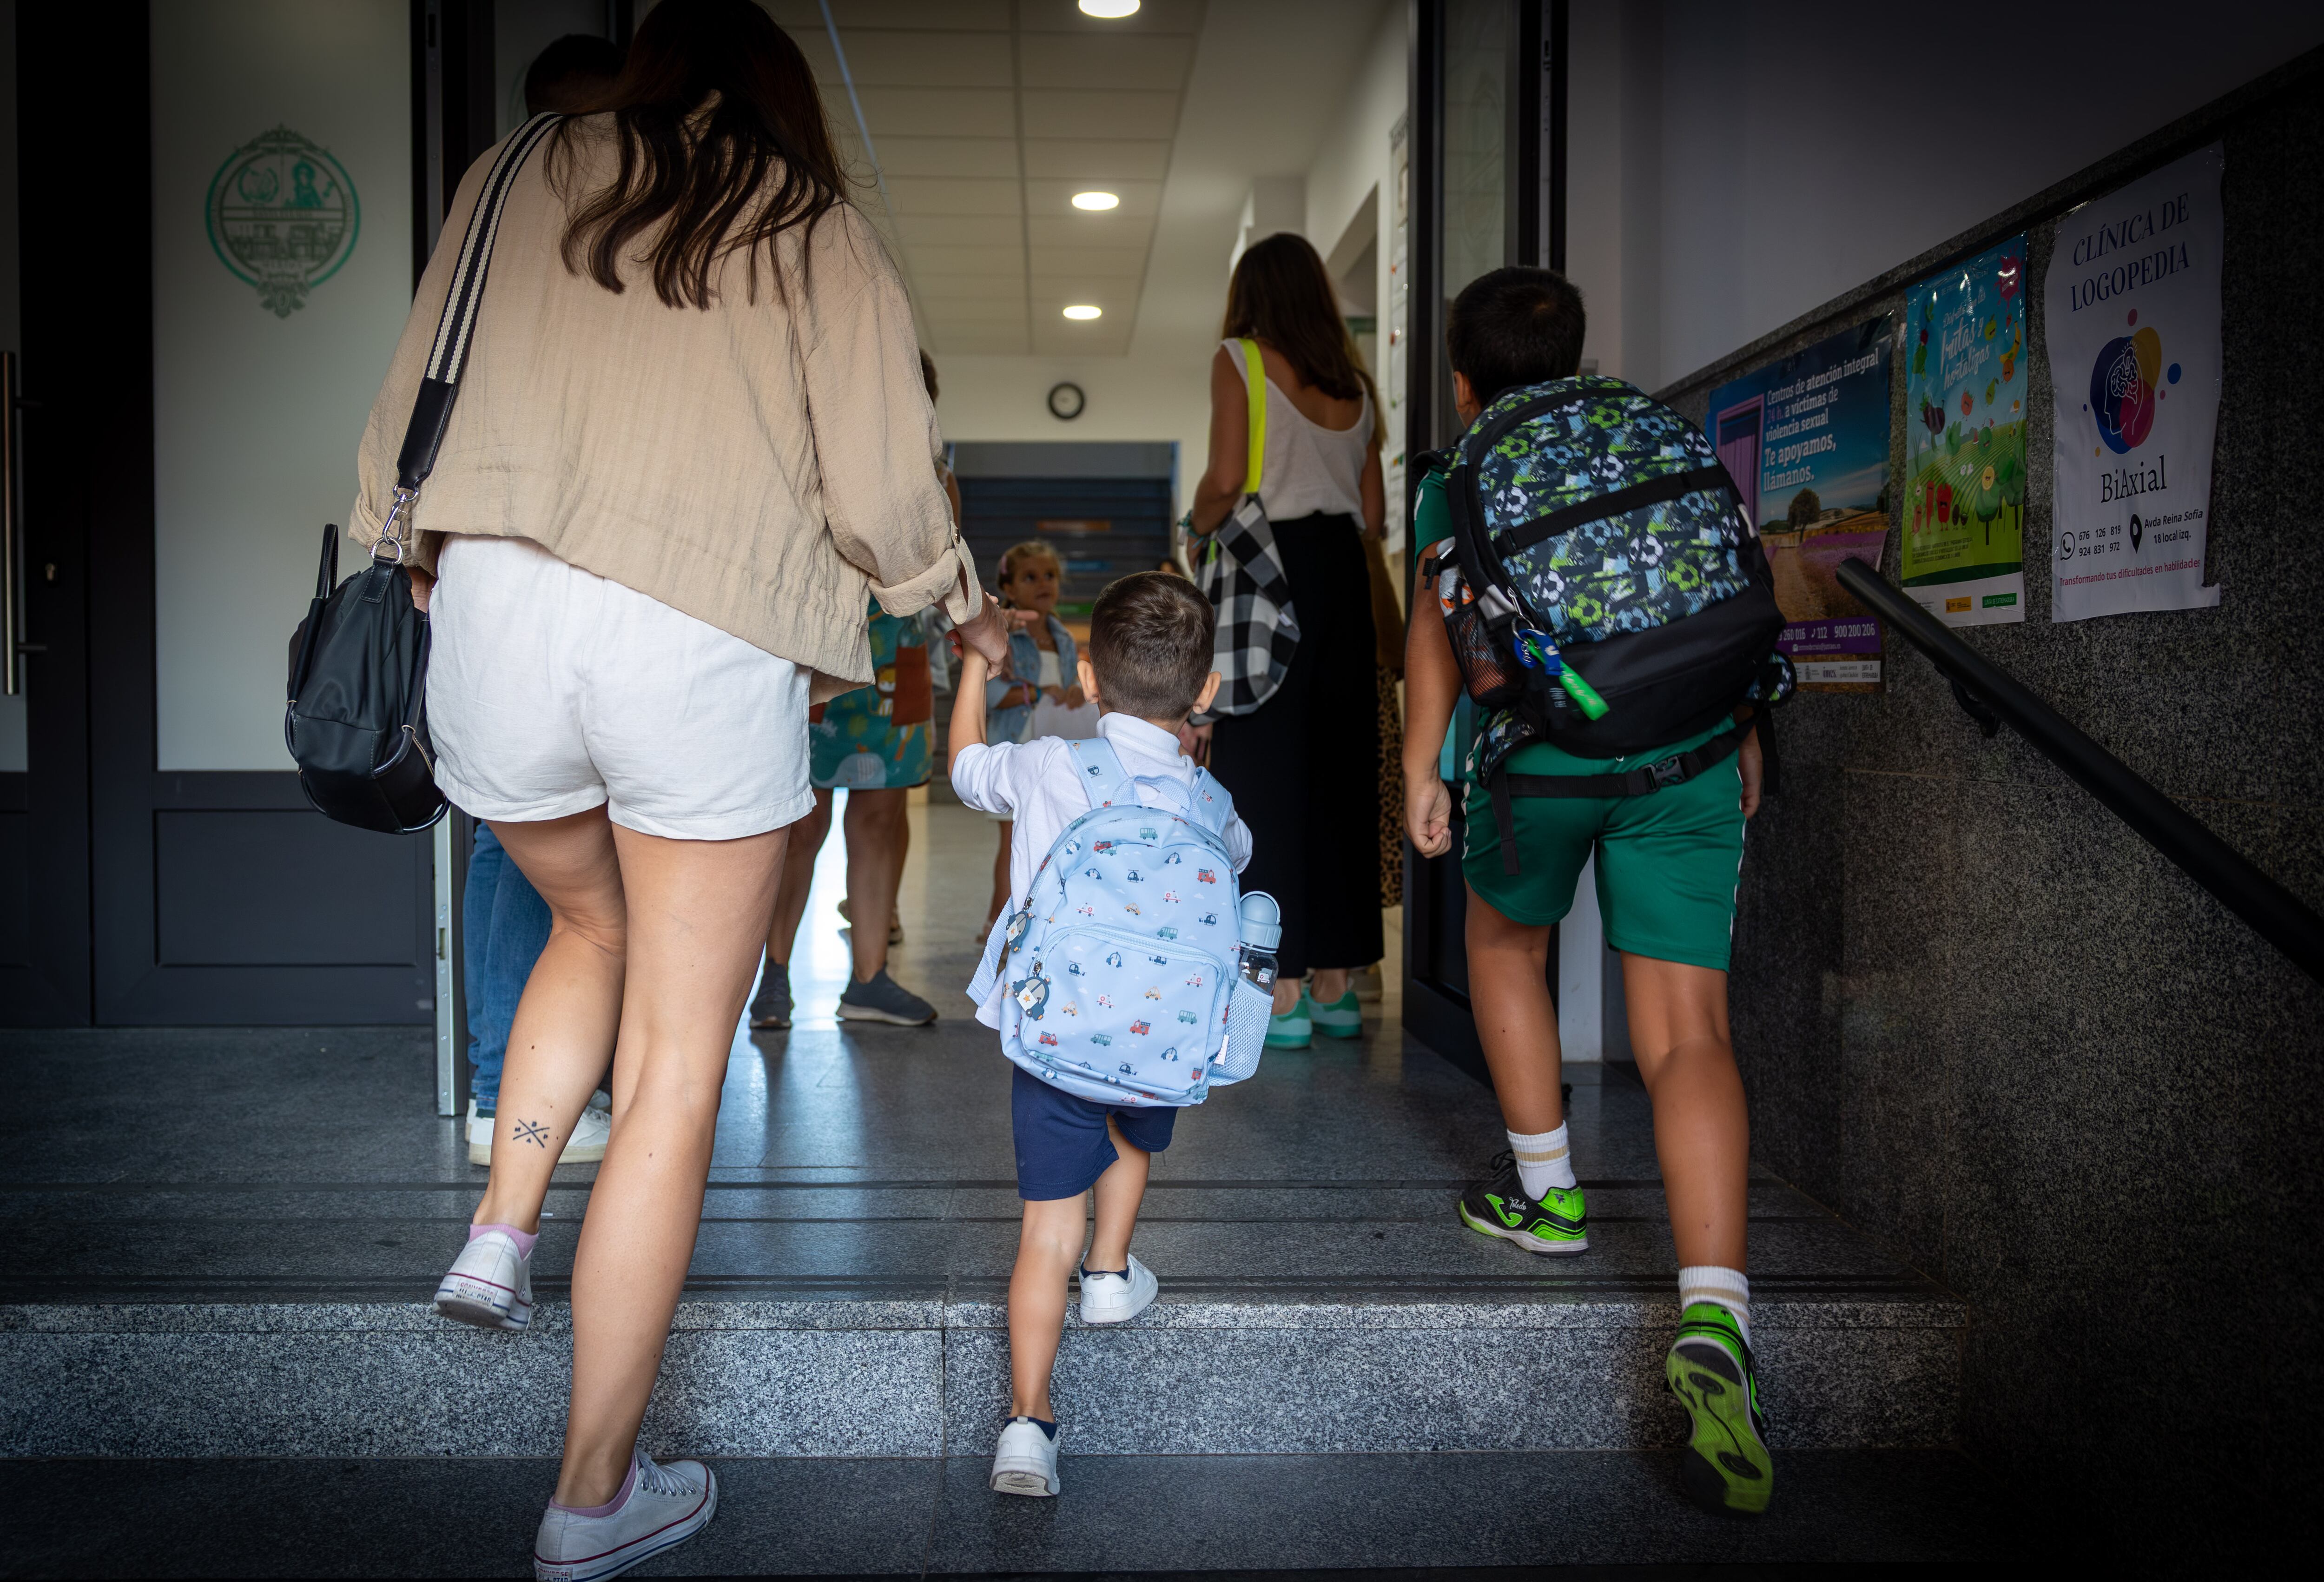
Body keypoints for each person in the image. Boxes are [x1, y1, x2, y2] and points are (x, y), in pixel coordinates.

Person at [359, 3, 1008, 1574]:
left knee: (590, 927)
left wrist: (395, 550)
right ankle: (592, 1493)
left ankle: (503, 1230)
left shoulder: (512, 170)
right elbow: (876, 471)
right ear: (775, 93)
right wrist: (953, 599)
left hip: (496, 621)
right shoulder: (808, 216)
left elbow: (408, 395)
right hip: (704, 634)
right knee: (676, 1070)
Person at [1401, 265, 1773, 1516]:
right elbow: (1719, 584)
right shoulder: (1650, 429)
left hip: (1545, 760)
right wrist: (1745, 732)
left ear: (1464, 380)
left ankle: (1546, 1191)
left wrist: (1421, 774)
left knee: (1504, 942)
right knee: (1689, 1035)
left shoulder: (1458, 476)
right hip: (1692, 749)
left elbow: (1435, 638)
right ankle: (1714, 1307)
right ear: (1576, 352)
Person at [948, 572, 1252, 1500]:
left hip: (1053, 1025)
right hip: (1155, 1037)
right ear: (1204, 691)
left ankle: (1027, 1426)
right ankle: (1113, 1269)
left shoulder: (1049, 763)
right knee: (1130, 1127)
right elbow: (1236, 865)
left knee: (1046, 1232)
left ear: (1086, 675)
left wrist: (973, 664)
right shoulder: (1211, 804)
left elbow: (965, 769)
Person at [454, 28, 631, 1171]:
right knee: (601, 853)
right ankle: (588, 1092)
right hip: (610, 568)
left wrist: (413, 552)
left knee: (507, 831)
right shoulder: (646, 211)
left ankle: (494, 1098)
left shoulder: (484, 205)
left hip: (485, 567)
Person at [1188, 232, 1386, 1050]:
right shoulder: (1358, 387)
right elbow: (1374, 517)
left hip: (1272, 576)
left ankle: (1283, 992)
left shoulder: (1240, 358)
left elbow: (1229, 477)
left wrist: (1198, 521)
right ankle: (1341, 987)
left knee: (1262, 779)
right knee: (1341, 779)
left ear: (1251, 294)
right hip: (1345, 576)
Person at [748, 595, 941, 1029]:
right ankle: (774, 975)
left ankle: (869, 980)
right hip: (816, 638)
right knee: (802, 829)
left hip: (892, 652)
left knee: (877, 826)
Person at [980, 541, 1088, 932]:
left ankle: (1044, 924)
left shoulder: (1062, 636)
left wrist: (1076, 690)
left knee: (1052, 837)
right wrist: (1039, 693)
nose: (1044, 584)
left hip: (1053, 750)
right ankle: (999, 924)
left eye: (1050, 576)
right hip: (1017, 747)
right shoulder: (1005, 633)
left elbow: (1070, 685)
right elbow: (991, 695)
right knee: (1014, 841)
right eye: (1030, 577)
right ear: (1009, 587)